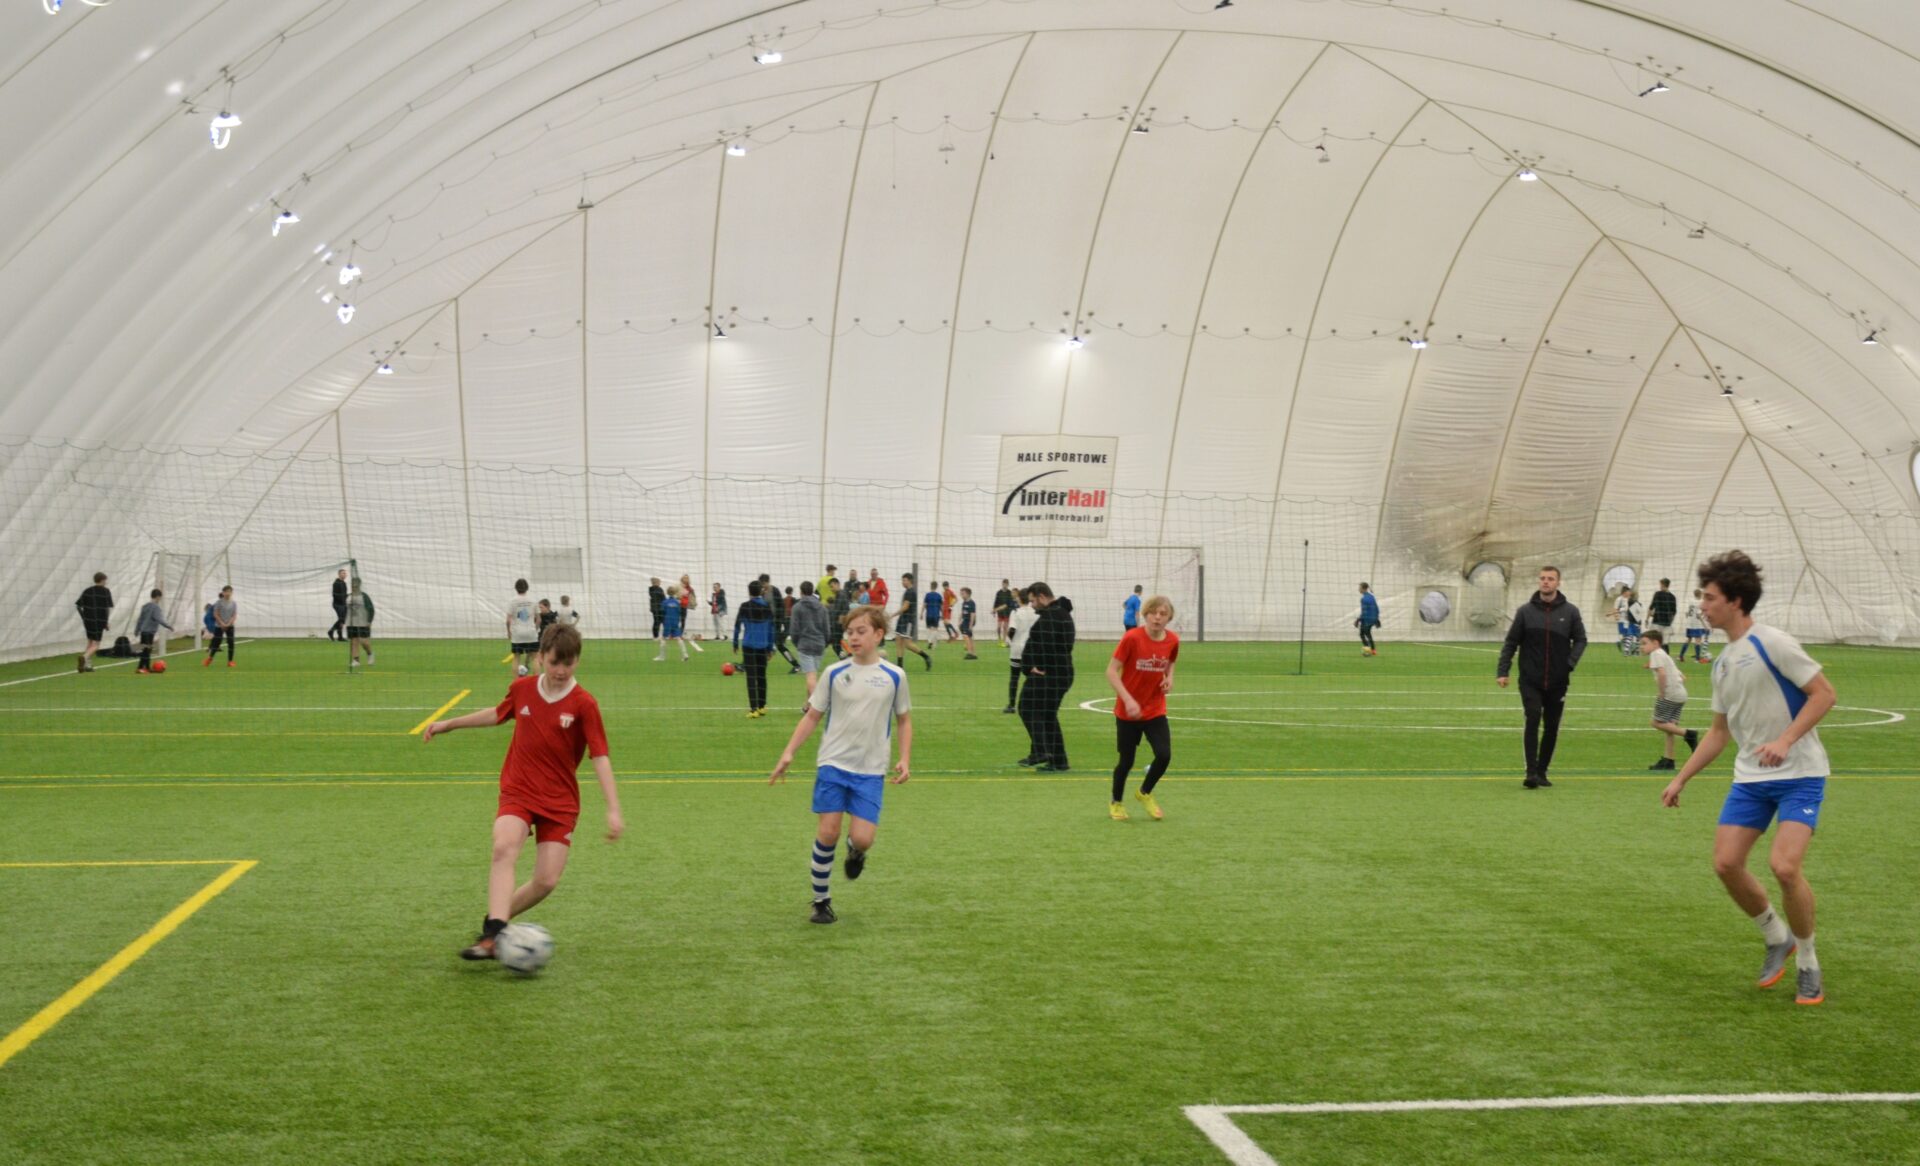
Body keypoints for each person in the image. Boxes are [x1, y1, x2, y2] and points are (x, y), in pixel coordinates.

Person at [1659, 550, 1836, 1006]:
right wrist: (1681, 779)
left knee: (1785, 867)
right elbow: (1719, 733)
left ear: (1735, 601)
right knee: (1725, 864)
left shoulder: (1773, 642)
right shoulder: (1721, 663)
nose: (1703, 605)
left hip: (1801, 774)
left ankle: (1808, 962)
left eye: (1710, 597)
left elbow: (1823, 694)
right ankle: (1777, 936)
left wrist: (1786, 739)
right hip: (1750, 779)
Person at [424, 623, 624, 961]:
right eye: (555, 662)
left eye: (569, 663)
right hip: (518, 789)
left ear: (577, 661)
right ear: (541, 657)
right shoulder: (523, 689)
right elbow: (497, 714)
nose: (561, 671)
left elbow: (600, 755)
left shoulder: (584, 704)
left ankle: (495, 920)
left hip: (559, 801)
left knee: (546, 881)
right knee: (504, 846)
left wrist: (613, 808)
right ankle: (493, 936)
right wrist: (450, 724)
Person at [768, 605, 911, 925]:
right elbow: (812, 716)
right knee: (828, 831)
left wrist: (904, 758)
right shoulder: (834, 673)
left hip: (871, 770)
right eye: (850, 632)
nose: (854, 637)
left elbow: (904, 720)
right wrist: (788, 753)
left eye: (861, 631)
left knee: (863, 838)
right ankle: (821, 901)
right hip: (833, 764)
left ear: (878, 634)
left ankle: (856, 850)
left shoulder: (894, 676)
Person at [1496, 565, 1587, 789]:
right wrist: (1503, 671)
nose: (1546, 582)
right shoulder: (1525, 612)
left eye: (1550, 579)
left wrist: (1569, 664)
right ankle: (1530, 772)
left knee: (1552, 725)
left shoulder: (1570, 612)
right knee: (1533, 716)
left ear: (1558, 583)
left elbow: (1581, 640)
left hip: (1558, 680)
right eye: (1543, 578)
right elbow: (1511, 642)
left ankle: (1542, 771)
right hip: (1530, 679)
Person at [1105, 595, 1179, 820]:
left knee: (1164, 755)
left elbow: (1170, 661)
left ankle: (1144, 792)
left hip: (1154, 709)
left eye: (1163, 614)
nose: (1157, 617)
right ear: (1145, 615)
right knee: (1126, 761)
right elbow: (1111, 671)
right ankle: (1116, 802)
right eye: (1153, 613)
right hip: (1128, 712)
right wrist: (1128, 699)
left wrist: (1169, 678)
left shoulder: (1173, 640)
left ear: (1169, 618)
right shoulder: (1132, 638)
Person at [1018, 582, 1076, 772]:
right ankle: (1056, 759)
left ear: (1042, 597)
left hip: (1051, 675)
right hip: (1060, 673)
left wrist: (1038, 667)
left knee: (1027, 708)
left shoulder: (1052, 617)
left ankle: (1043, 751)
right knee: (1046, 715)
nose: (1032, 605)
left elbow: (1049, 646)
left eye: (1033, 601)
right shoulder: (1059, 614)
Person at [1640, 629, 1699, 770]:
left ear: (1656, 643)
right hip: (1680, 694)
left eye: (1644, 643)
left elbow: (1662, 674)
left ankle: (1688, 734)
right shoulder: (1663, 655)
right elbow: (1683, 677)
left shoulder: (1655, 654)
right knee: (1670, 727)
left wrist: (1661, 692)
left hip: (1669, 695)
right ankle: (1669, 760)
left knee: (1656, 722)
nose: (1641, 647)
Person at [732, 580, 777, 717]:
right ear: (761, 591)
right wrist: (770, 648)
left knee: (751, 677)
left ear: (749, 592)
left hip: (749, 646)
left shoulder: (744, 606)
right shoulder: (767, 608)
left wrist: (735, 643)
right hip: (763, 646)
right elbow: (771, 629)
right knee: (762, 676)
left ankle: (753, 709)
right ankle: (762, 706)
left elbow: (737, 626)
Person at [790, 580, 832, 705]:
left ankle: (817, 705)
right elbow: (827, 628)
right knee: (813, 675)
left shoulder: (797, 607)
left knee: (810, 676)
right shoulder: (822, 607)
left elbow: (794, 629)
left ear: (801, 592)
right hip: (819, 644)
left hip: (805, 644)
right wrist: (825, 642)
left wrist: (797, 643)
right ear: (812, 591)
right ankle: (808, 705)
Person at [1005, 588, 1036, 714]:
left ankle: (1012, 705)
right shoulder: (1035, 612)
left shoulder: (1015, 612)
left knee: (1014, 677)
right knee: (1032, 678)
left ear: (1019, 598)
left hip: (1017, 650)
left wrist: (1008, 641)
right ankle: (1033, 704)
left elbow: (1012, 630)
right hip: (1031, 650)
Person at [893, 573, 933, 670]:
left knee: (907, 644)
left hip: (908, 621)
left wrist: (893, 614)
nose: (903, 582)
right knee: (898, 640)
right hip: (902, 619)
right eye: (902, 580)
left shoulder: (911, 592)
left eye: (904, 580)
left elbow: (905, 607)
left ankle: (926, 657)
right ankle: (900, 665)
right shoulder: (907, 591)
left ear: (910, 581)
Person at [75, 571, 112, 672]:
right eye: (105, 581)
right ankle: (84, 657)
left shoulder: (87, 591)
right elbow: (107, 608)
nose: (106, 582)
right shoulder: (106, 591)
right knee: (96, 644)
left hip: (88, 620)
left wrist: (84, 617)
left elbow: (78, 606)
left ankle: (87, 665)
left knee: (90, 641)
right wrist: (106, 621)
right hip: (99, 620)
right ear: (102, 580)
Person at [134, 589, 173, 674]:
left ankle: (142, 668)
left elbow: (140, 619)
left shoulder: (145, 606)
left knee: (146, 650)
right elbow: (159, 619)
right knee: (147, 650)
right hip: (149, 632)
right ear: (158, 597)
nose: (160, 600)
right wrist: (168, 626)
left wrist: (137, 630)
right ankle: (144, 668)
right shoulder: (156, 607)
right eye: (160, 598)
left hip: (143, 631)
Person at [507, 579, 539, 676]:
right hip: (531, 632)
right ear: (527, 588)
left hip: (517, 633)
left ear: (516, 588)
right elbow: (539, 619)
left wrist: (509, 632)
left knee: (516, 657)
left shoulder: (512, 601)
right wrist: (535, 629)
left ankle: (516, 681)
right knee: (535, 658)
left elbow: (508, 620)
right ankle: (536, 680)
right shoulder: (533, 600)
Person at [656, 584, 694, 661]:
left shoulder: (665, 602)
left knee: (664, 638)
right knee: (679, 638)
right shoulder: (677, 603)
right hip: (675, 622)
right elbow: (679, 612)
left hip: (667, 622)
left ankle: (662, 657)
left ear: (667, 592)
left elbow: (662, 613)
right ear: (675, 593)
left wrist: (663, 621)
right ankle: (685, 655)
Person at [204, 585, 237, 668]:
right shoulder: (218, 602)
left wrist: (229, 623)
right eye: (226, 592)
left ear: (232, 593)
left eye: (229, 592)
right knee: (216, 643)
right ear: (223, 593)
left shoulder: (234, 603)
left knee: (231, 642)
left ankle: (230, 661)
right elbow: (216, 614)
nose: (228, 593)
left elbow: (234, 615)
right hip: (219, 626)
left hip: (230, 626)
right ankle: (210, 658)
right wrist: (222, 623)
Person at [345, 579, 375, 668]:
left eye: (356, 585)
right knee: (354, 641)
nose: (354, 587)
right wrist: (342, 621)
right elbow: (345, 609)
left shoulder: (364, 596)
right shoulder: (348, 597)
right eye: (352, 585)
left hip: (363, 623)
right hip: (351, 623)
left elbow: (371, 609)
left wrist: (369, 621)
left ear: (359, 585)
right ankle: (356, 660)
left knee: (364, 642)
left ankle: (370, 654)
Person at [1683, 588, 1711, 663]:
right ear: (1700, 594)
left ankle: (1681, 656)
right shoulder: (1700, 602)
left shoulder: (1690, 601)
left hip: (1689, 624)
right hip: (1697, 625)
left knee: (1688, 639)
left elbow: (1686, 614)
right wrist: (1705, 626)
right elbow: (1699, 615)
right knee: (1698, 641)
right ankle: (1697, 659)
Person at [1649, 577, 1678, 648]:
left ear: (1662, 584)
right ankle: (1665, 655)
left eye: (1660, 584)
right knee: (1665, 643)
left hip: (1656, 622)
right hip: (1667, 623)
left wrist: (1648, 617)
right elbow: (1674, 612)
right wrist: (1670, 622)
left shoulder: (1657, 594)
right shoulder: (1672, 597)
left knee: (1655, 641)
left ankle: (1656, 654)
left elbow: (1651, 607)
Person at [1356, 582, 1381, 657]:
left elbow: (1364, 611)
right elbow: (1376, 608)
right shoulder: (1372, 596)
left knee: (1363, 634)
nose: (1359, 589)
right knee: (1367, 634)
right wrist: (1376, 619)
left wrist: (1358, 620)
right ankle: (1373, 651)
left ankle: (1368, 650)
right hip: (1372, 619)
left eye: (1360, 588)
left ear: (1364, 589)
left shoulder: (1364, 599)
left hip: (1366, 619)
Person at [920, 583, 945, 655]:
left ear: (930, 586)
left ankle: (929, 641)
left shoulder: (927, 595)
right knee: (935, 629)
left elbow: (924, 605)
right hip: (936, 614)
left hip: (929, 614)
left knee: (929, 628)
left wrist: (921, 613)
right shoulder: (939, 596)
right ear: (936, 587)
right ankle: (933, 644)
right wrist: (942, 614)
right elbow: (941, 606)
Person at [328, 569, 349, 641]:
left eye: (345, 573)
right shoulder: (336, 583)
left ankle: (339, 636)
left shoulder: (344, 583)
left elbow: (345, 594)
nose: (344, 575)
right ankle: (332, 631)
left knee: (343, 620)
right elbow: (335, 595)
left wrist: (347, 597)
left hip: (344, 604)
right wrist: (342, 598)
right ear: (339, 574)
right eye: (343, 573)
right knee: (341, 619)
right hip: (338, 604)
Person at [992, 579, 1015, 645]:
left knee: (1005, 627)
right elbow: (996, 601)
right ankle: (999, 639)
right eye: (1004, 584)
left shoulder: (1009, 593)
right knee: (998, 627)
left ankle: (1004, 641)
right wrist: (994, 610)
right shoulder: (999, 593)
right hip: (1000, 612)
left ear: (1008, 585)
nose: (1005, 585)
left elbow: (1009, 603)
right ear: (1002, 584)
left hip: (1007, 612)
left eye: (1006, 584)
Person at [958, 587, 978, 659]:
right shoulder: (964, 602)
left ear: (968, 594)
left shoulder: (971, 603)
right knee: (969, 637)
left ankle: (969, 653)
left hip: (969, 621)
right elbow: (962, 612)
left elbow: (973, 615)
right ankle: (974, 654)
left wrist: (970, 625)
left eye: (963, 594)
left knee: (966, 636)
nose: (961, 595)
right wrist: (959, 620)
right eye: (961, 594)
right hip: (965, 621)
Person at [648, 578, 666, 645]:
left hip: (655, 608)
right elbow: (663, 598)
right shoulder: (658, 589)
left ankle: (656, 636)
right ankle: (657, 636)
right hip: (658, 608)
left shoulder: (652, 590)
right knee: (658, 622)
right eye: (659, 582)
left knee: (657, 622)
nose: (660, 583)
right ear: (656, 582)